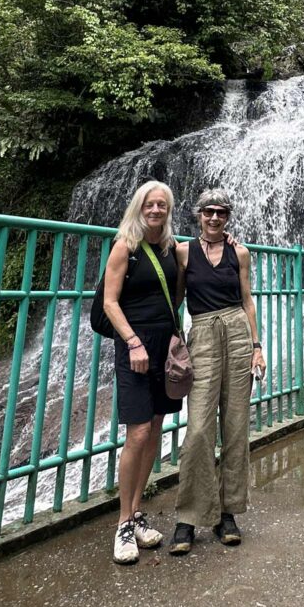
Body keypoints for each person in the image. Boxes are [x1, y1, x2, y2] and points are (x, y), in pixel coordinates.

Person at [169, 188, 266, 554]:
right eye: (208, 212)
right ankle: (189, 515)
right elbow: (177, 300)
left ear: (228, 217)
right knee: (197, 430)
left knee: (236, 426)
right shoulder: (182, 251)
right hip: (203, 334)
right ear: (198, 215)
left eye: (221, 213)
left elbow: (247, 300)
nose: (214, 218)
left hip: (238, 333)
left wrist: (257, 347)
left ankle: (229, 513)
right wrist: (172, 339)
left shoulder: (239, 252)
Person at [103, 180, 183, 564]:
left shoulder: (170, 248)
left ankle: (136, 513)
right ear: (139, 208)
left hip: (164, 347)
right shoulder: (126, 247)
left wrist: (228, 237)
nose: (156, 210)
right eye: (150, 204)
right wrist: (133, 342)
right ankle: (121, 523)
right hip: (134, 348)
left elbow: (183, 286)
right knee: (136, 431)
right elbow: (109, 301)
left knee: (154, 428)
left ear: (168, 211)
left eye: (162, 206)